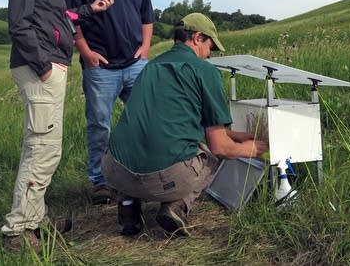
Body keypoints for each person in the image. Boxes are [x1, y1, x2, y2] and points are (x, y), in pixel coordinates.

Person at [2, 0, 114, 252]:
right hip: (41, 68)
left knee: (45, 147)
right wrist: (44, 65)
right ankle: (17, 232)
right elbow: (19, 23)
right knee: (41, 149)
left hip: (48, 65)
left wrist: (88, 10)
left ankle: (35, 220)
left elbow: (56, 15)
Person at [101, 13, 268, 237]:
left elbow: (165, 123)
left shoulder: (150, 67)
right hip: (163, 180)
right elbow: (220, 147)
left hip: (114, 171)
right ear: (198, 38)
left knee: (140, 145)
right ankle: (176, 206)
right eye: (210, 47)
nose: (209, 55)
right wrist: (253, 149)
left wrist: (234, 134)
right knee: (209, 156)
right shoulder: (204, 70)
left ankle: (129, 204)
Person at [63, 0, 154, 205]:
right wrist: (85, 51)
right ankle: (101, 182)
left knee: (146, 118)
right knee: (99, 125)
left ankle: (143, 173)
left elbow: (147, 17)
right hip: (100, 66)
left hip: (135, 64)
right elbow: (68, 16)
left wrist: (146, 46)